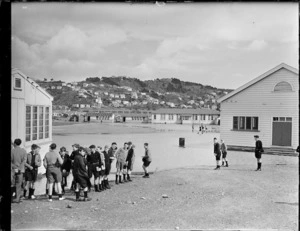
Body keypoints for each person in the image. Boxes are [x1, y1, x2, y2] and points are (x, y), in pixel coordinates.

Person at [11, 139, 27, 203]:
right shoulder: (23, 151)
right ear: (20, 143)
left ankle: (12, 197)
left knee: (12, 183)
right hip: (21, 170)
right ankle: (17, 198)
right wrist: (19, 167)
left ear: (14, 143)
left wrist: (14, 167)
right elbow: (24, 161)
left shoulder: (12, 151)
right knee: (19, 184)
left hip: (13, 169)